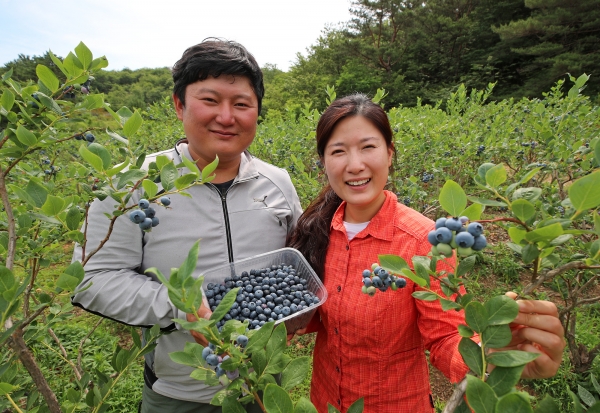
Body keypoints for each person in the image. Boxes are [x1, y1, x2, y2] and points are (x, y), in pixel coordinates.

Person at [287, 94, 565, 413]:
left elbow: (446, 336)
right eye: (338, 151)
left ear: (389, 154)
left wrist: (490, 356)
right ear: (324, 162)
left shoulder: (423, 241)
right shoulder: (318, 230)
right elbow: (316, 313)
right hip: (324, 401)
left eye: (368, 147)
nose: (355, 165)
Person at [71, 39, 302, 413]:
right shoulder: (133, 186)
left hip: (263, 386)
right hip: (180, 395)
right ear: (179, 105)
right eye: (210, 100)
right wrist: (178, 305)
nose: (226, 117)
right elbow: (92, 279)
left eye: (241, 104)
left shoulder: (278, 182)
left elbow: (299, 264)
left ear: (257, 112)